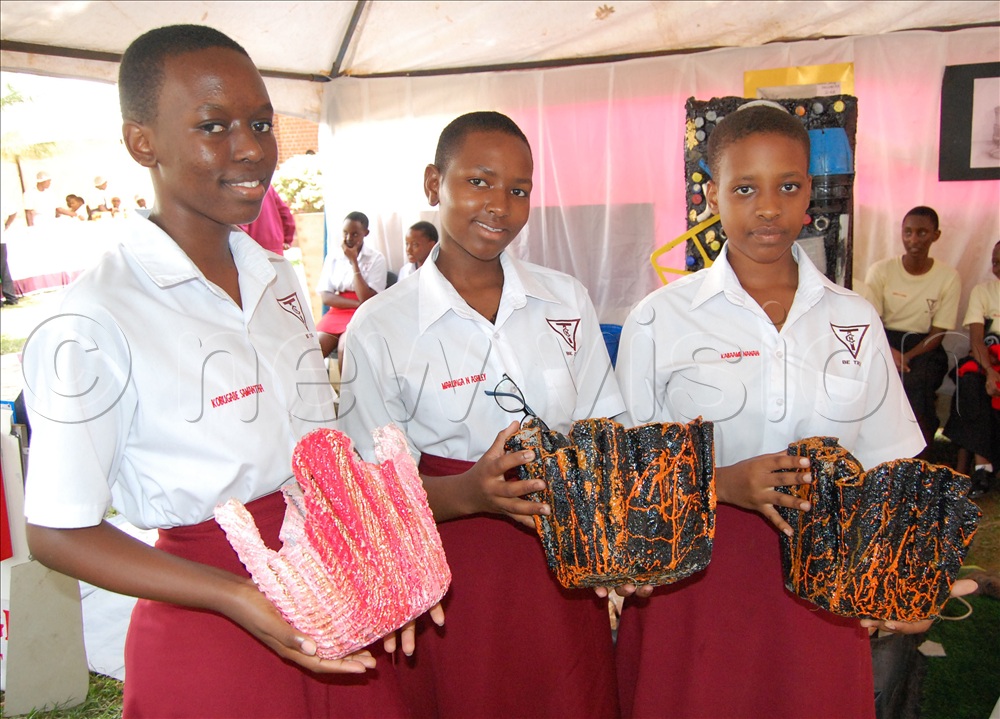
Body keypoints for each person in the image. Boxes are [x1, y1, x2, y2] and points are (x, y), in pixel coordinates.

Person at [21, 24, 433, 718]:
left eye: (262, 123)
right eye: (214, 125)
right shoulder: (95, 314)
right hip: (209, 612)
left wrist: (379, 551)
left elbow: (315, 446)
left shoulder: (273, 276)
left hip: (330, 582)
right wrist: (238, 594)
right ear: (141, 142)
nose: (251, 147)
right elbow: (57, 530)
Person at [614, 103, 934, 719]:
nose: (768, 207)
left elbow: (891, 461)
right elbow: (627, 467)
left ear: (809, 191)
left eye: (787, 186)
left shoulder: (853, 318)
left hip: (823, 574)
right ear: (712, 196)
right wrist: (721, 482)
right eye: (744, 189)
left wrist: (902, 574)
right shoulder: (660, 318)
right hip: (696, 575)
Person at [337, 110, 624, 719]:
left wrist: (615, 540)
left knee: (572, 695)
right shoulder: (383, 325)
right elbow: (368, 489)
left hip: (562, 558)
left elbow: (605, 428)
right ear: (433, 184)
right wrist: (469, 492)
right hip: (449, 570)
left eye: (518, 190)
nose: (499, 205)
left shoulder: (564, 298)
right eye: (479, 182)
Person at [863, 206, 961, 452]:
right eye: (907, 232)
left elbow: (937, 333)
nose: (913, 240)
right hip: (883, 338)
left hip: (924, 346)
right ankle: (877, 449)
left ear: (935, 235)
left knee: (918, 384)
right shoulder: (881, 270)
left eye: (922, 233)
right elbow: (871, 321)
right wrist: (890, 352)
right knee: (875, 380)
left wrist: (906, 357)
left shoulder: (948, 277)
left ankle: (918, 453)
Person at [944, 240, 1000, 497]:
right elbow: (977, 340)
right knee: (971, 382)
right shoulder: (984, 292)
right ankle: (982, 466)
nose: (998, 267)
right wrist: (990, 371)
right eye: (995, 261)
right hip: (988, 355)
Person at [314, 211, 386, 359]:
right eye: (345, 233)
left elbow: (366, 298)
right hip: (338, 311)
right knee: (314, 349)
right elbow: (326, 297)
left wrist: (354, 262)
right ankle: (319, 383)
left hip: (362, 314)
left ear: (365, 233)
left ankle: (345, 383)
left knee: (345, 348)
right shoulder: (333, 257)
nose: (348, 238)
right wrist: (357, 303)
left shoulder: (376, 258)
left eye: (355, 234)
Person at [240, 183, 296, 255]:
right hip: (275, 247)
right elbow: (285, 213)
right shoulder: (266, 186)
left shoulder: (238, 187)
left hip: (253, 251)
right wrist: (287, 239)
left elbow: (240, 223)